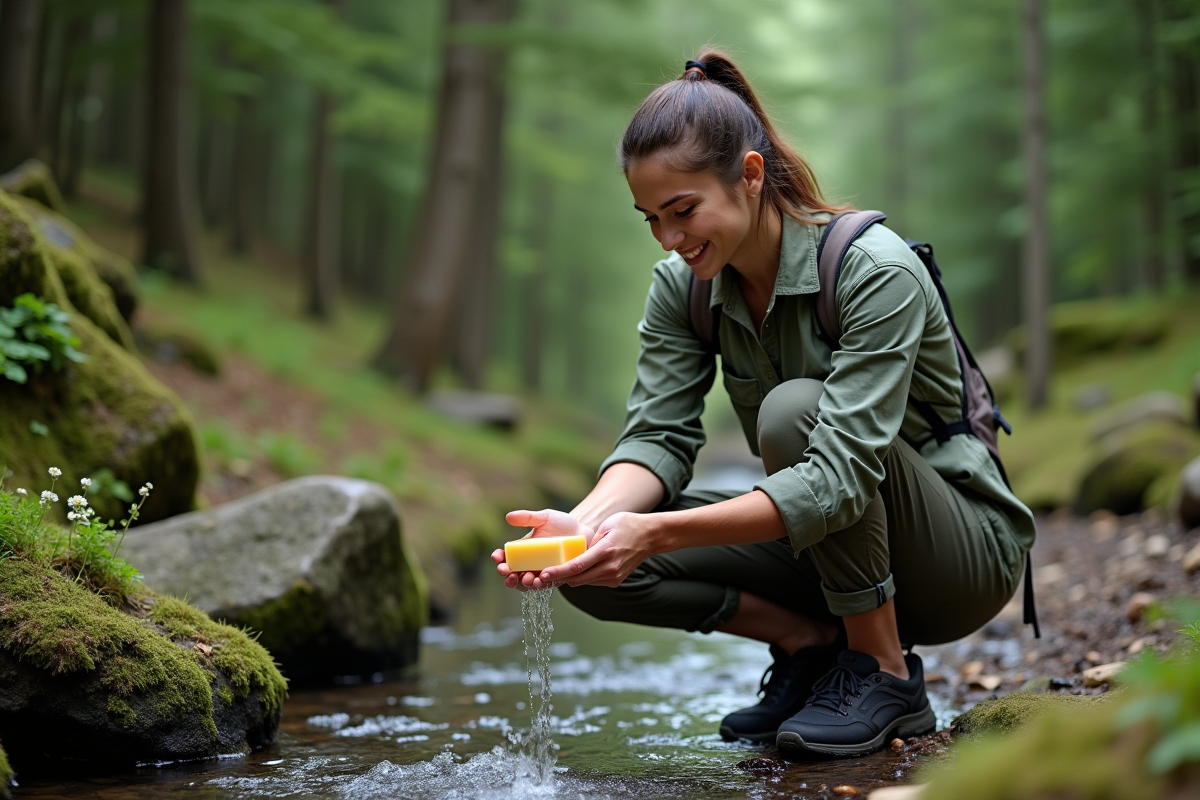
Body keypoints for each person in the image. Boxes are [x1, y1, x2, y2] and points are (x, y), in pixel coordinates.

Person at [491, 49, 1035, 758]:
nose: (670, 239)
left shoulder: (874, 270)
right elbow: (658, 438)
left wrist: (653, 534)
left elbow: (838, 474)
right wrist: (586, 526)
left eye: (683, 211)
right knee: (594, 574)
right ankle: (810, 645)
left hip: (958, 556)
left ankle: (884, 671)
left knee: (791, 413)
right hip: (825, 546)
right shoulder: (681, 290)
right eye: (650, 218)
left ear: (750, 176)